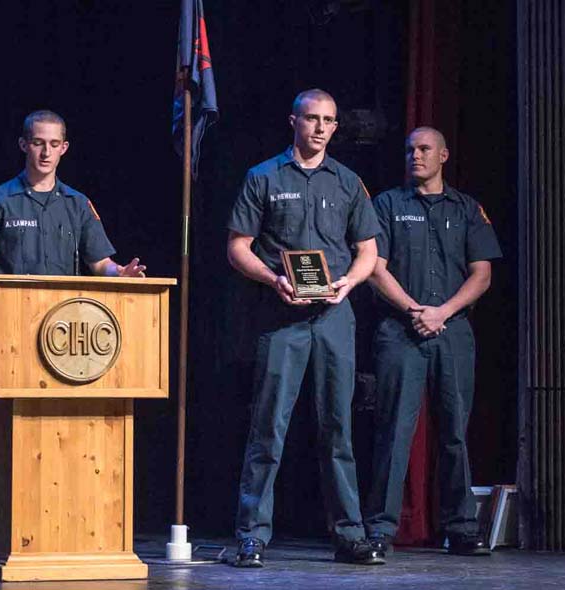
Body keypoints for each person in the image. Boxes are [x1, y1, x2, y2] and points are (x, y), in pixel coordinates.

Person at [227, 89, 383, 567]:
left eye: (329, 120)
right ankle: (252, 535)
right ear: (293, 121)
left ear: (336, 127)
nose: (319, 127)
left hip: (334, 317)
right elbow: (238, 247)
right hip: (281, 319)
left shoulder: (348, 182)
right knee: (268, 427)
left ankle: (350, 535)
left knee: (338, 428)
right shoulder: (264, 176)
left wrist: (349, 284)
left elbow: (368, 251)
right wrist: (274, 279)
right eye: (311, 118)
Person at [363, 127, 502, 557]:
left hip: (452, 330)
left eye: (424, 149)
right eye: (409, 149)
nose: (415, 156)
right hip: (400, 331)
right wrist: (413, 310)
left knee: (454, 433)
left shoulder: (466, 209)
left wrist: (441, 312)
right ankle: (380, 530)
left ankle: (460, 528)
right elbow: (374, 267)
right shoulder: (386, 205)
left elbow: (482, 273)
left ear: (443, 155)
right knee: (394, 431)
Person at [0, 110, 146, 280]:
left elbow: (101, 264)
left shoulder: (77, 203)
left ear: (64, 148)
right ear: (23, 145)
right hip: (11, 310)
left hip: (63, 314)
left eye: (54, 144)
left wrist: (118, 272)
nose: (46, 153)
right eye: (38, 143)